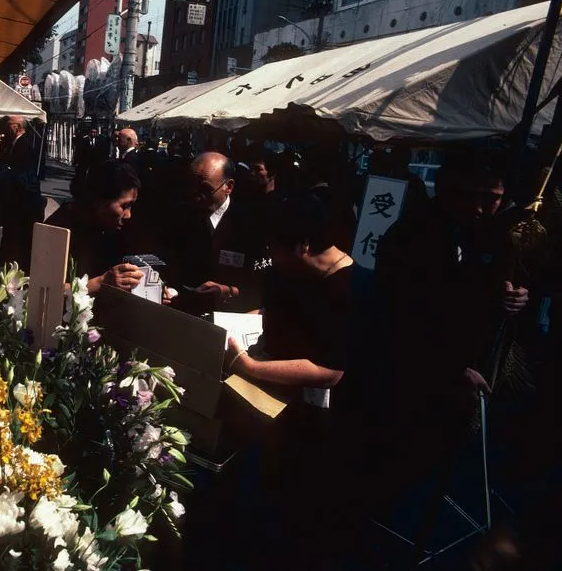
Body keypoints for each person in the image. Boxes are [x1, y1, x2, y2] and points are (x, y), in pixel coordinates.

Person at [222, 188, 373, 570]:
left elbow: (330, 371)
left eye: (275, 248)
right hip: (275, 416)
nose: (270, 256)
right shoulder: (290, 274)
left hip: (327, 429)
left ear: (303, 245)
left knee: (303, 521)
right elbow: (275, 314)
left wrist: (247, 366)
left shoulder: (354, 289)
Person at [374, 149, 530, 494]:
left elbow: (478, 291)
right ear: (447, 188)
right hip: (414, 375)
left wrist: (513, 296)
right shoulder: (413, 235)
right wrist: (452, 370)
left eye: (492, 199)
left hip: (464, 367)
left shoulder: (484, 233)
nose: (481, 207)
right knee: (400, 467)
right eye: (472, 196)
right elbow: (404, 316)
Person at [166, 152, 263, 315]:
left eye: (205, 189)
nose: (196, 196)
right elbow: (169, 264)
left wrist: (228, 291)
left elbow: (259, 287)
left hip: (231, 316)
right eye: (191, 186)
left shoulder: (251, 225)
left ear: (228, 187)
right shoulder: (180, 216)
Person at [45, 160, 144, 295]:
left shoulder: (114, 231)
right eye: (124, 206)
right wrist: (100, 282)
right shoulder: (57, 229)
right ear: (99, 201)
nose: (128, 215)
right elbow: (46, 290)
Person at [0, 115, 43, 271]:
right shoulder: (12, 143)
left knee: (18, 233)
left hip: (22, 200)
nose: (6, 126)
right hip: (15, 199)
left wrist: (5, 173)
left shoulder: (25, 145)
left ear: (17, 127)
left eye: (9, 124)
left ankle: (12, 262)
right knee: (11, 232)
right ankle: (5, 259)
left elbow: (22, 173)